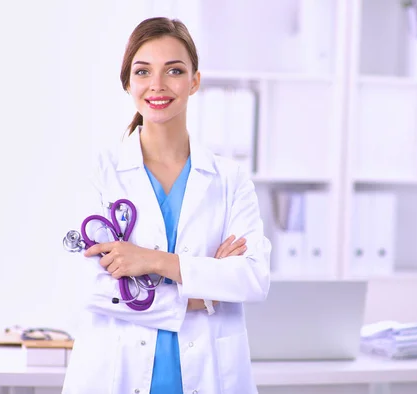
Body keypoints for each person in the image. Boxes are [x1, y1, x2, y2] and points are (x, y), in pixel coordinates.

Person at [62, 17, 271, 394]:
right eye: (143, 71)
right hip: (115, 377)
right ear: (128, 82)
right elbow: (90, 288)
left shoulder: (229, 179)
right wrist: (203, 293)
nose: (157, 85)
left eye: (174, 70)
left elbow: (253, 278)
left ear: (194, 81)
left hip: (210, 378)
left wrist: (153, 262)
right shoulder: (101, 173)